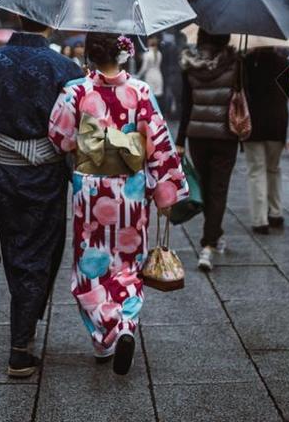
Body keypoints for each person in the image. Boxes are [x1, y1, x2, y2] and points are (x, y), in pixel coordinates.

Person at [48, 33, 188, 376]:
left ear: (89, 55)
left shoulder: (76, 91)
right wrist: (166, 187)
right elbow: (158, 142)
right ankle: (125, 325)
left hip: (92, 193)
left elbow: (59, 139)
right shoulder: (140, 92)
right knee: (127, 265)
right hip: (131, 191)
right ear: (124, 53)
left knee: (89, 269)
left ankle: (105, 332)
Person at [0, 17, 78, 379]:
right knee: (43, 250)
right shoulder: (65, 67)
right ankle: (20, 346)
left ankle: (24, 327)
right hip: (47, 173)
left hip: (6, 172)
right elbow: (78, 128)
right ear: (49, 24)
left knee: (16, 251)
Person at [177, 29, 238, 271]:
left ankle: (216, 232)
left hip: (197, 136)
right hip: (225, 136)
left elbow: (186, 104)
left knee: (205, 186)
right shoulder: (235, 64)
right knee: (218, 189)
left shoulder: (190, 64)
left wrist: (180, 140)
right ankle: (208, 245)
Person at [242, 47, 289, 233]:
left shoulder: (244, 63)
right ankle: (276, 213)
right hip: (278, 124)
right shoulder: (283, 62)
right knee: (274, 169)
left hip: (252, 124)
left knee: (256, 171)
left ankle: (259, 219)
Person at [137, 36, 164, 111]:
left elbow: (144, 68)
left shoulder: (147, 54)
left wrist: (138, 75)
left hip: (150, 77)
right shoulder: (159, 53)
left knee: (150, 98)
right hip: (158, 76)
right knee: (157, 98)